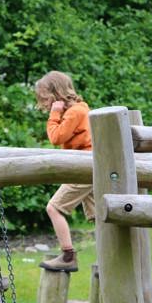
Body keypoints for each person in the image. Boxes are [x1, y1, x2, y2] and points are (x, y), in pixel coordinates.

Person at [35, 71, 93, 273]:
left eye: (45, 98)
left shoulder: (74, 112)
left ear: (56, 93)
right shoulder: (80, 109)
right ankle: (111, 257)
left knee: (54, 207)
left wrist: (54, 114)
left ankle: (68, 256)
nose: (43, 103)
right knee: (99, 215)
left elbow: (56, 137)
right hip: (89, 166)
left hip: (84, 167)